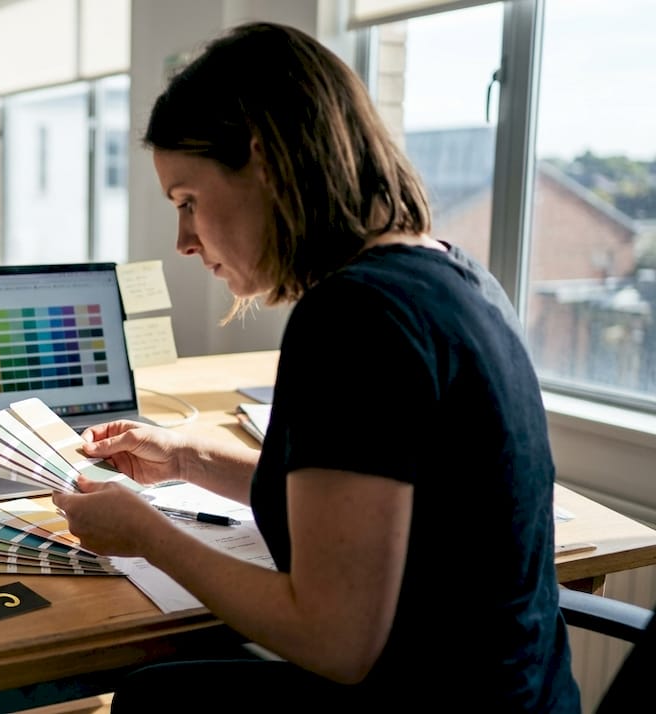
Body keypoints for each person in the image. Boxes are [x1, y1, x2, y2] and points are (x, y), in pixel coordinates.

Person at [51, 22, 579, 712]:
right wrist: (184, 458)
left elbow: (335, 641)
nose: (183, 240)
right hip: (528, 693)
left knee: (151, 697)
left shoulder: (354, 317)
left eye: (187, 202)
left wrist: (146, 534)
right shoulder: (453, 275)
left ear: (265, 161)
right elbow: (362, 503)